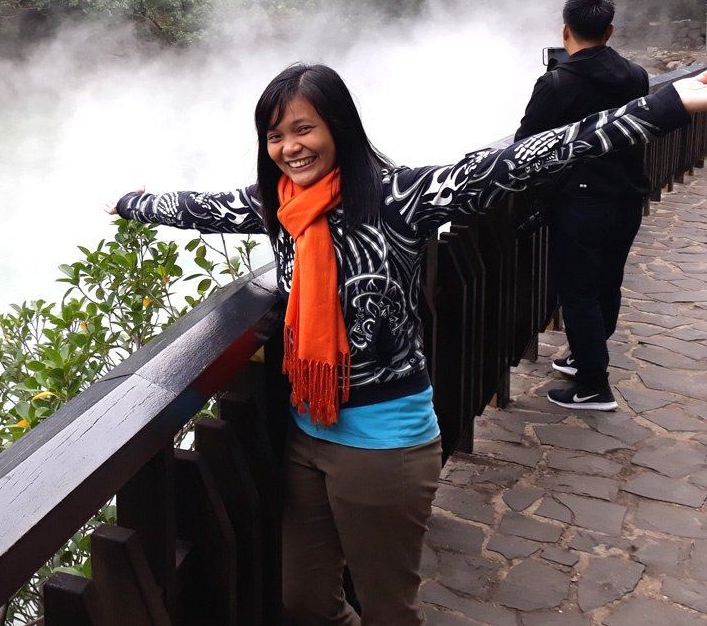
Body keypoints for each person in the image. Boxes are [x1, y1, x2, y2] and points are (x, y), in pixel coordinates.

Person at [112, 62, 707, 625]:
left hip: (384, 444)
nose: (289, 147)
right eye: (275, 135)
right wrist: (130, 203)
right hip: (306, 434)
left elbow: (523, 161)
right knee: (303, 600)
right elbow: (203, 208)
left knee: (389, 608)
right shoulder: (281, 207)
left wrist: (670, 104)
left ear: (338, 127)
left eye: (303, 128)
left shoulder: (397, 197)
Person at [515, 0, 650, 412]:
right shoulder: (636, 75)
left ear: (565, 30)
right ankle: (585, 357)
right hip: (626, 196)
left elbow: (526, 143)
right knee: (608, 281)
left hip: (579, 203)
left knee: (577, 290)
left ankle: (594, 385)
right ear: (609, 32)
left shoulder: (557, 83)